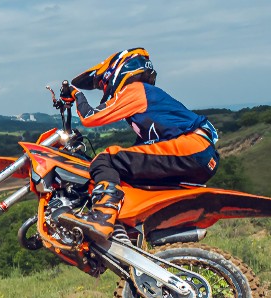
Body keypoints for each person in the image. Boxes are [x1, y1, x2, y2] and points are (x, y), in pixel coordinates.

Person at [58, 47, 220, 242]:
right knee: (125, 175)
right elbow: (138, 153)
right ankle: (129, 235)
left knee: (106, 158)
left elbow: (90, 117)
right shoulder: (147, 105)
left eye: (103, 83)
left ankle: (103, 217)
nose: (104, 88)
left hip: (192, 147)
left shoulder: (136, 89)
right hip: (200, 155)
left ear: (117, 72)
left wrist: (76, 94)